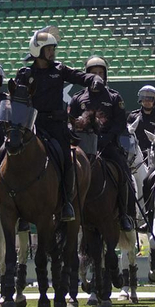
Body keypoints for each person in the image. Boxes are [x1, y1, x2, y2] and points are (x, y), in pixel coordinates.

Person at [12, 28, 102, 222]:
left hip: (55, 126)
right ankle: (6, 200)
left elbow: (79, 76)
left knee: (66, 159)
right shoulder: (24, 73)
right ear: (37, 51)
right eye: (49, 49)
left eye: (54, 49)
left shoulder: (59, 69)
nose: (53, 53)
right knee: (6, 151)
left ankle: (66, 201)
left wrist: (93, 78)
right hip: (31, 125)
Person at [70, 57, 135, 232]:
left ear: (105, 75)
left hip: (108, 146)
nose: (97, 76)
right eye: (93, 73)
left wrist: (106, 138)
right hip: (82, 147)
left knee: (124, 173)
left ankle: (124, 214)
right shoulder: (77, 98)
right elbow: (71, 122)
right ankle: (65, 209)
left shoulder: (114, 97)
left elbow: (120, 122)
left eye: (100, 73)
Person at [128, 85, 155, 231]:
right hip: (135, 159)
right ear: (140, 100)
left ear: (154, 101)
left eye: (150, 99)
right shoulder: (133, 117)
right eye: (145, 98)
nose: (147, 101)